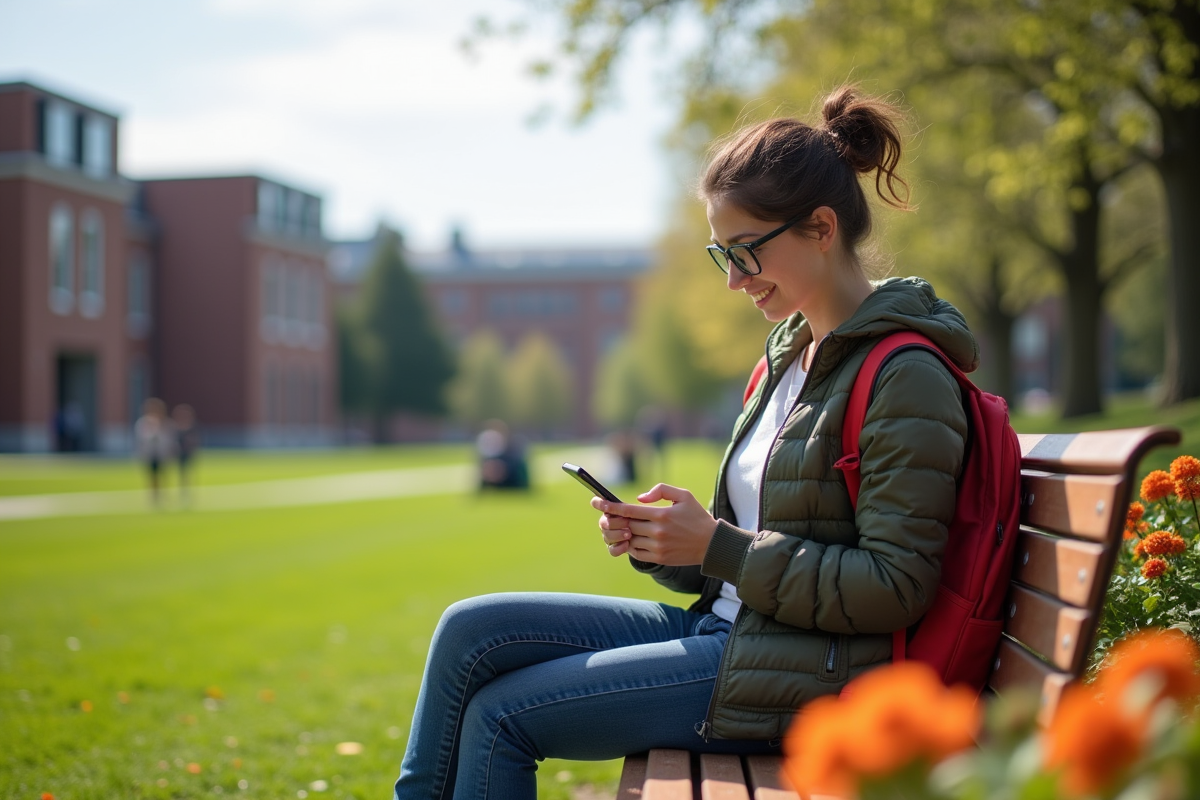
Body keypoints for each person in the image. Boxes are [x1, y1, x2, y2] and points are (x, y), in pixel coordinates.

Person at [392, 85, 972, 800]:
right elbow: (757, 547)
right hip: (735, 634)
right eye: (718, 254)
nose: (733, 281)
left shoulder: (904, 375)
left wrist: (717, 547)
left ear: (821, 229)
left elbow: (894, 586)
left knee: (503, 717)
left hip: (807, 674)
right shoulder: (788, 357)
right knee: (468, 631)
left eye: (746, 252)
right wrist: (672, 546)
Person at [133, 397, 176, 506]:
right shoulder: (143, 423)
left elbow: (170, 438)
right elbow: (141, 439)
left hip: (162, 453)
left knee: (164, 475)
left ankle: (164, 496)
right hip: (150, 453)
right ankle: (154, 498)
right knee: (152, 477)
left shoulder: (166, 422)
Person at [172, 404, 200, 502]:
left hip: (188, 453)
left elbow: (195, 440)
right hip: (179, 454)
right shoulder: (176, 427)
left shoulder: (192, 427)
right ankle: (181, 492)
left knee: (188, 473)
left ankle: (187, 492)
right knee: (180, 473)